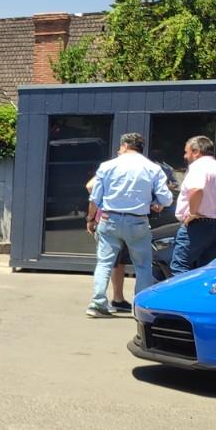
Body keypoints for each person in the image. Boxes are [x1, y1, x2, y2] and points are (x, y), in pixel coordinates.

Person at [85, 132, 171, 318]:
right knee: (142, 265)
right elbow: (166, 198)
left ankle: (97, 304)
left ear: (124, 146)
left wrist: (91, 219)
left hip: (109, 219)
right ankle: (141, 308)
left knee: (104, 263)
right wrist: (157, 203)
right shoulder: (152, 168)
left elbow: (95, 197)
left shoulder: (108, 166)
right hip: (138, 220)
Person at [170, 135, 216, 274]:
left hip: (197, 225)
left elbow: (197, 189)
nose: (185, 156)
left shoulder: (198, 167)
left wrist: (192, 213)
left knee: (180, 267)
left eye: (187, 152)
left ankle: (182, 297)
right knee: (206, 271)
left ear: (196, 151)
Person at [86, 172, 130, 312]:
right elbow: (90, 186)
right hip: (112, 220)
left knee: (118, 262)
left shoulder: (113, 170)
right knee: (108, 262)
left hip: (111, 221)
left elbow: (90, 186)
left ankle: (118, 299)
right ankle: (99, 302)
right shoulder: (111, 169)